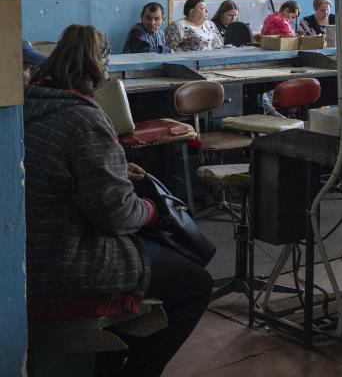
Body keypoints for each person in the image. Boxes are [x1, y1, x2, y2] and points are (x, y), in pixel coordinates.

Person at [24, 25, 212, 376]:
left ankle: (108, 359)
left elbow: (59, 170)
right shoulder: (85, 118)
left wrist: (113, 170)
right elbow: (116, 217)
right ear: (99, 70)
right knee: (195, 283)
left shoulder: (30, 105)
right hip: (66, 264)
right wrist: (154, 210)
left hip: (30, 252)